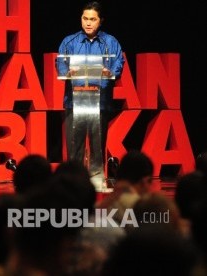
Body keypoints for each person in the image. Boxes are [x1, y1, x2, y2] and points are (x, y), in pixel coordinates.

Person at [56, 1, 125, 190]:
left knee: (97, 146)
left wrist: (107, 71)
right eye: (85, 18)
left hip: (99, 102)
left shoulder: (111, 42)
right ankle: (73, 184)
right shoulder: (69, 41)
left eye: (93, 19)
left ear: (100, 21)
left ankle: (95, 183)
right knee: (74, 147)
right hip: (74, 102)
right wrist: (67, 72)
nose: (88, 23)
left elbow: (118, 65)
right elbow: (60, 62)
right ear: (81, 19)